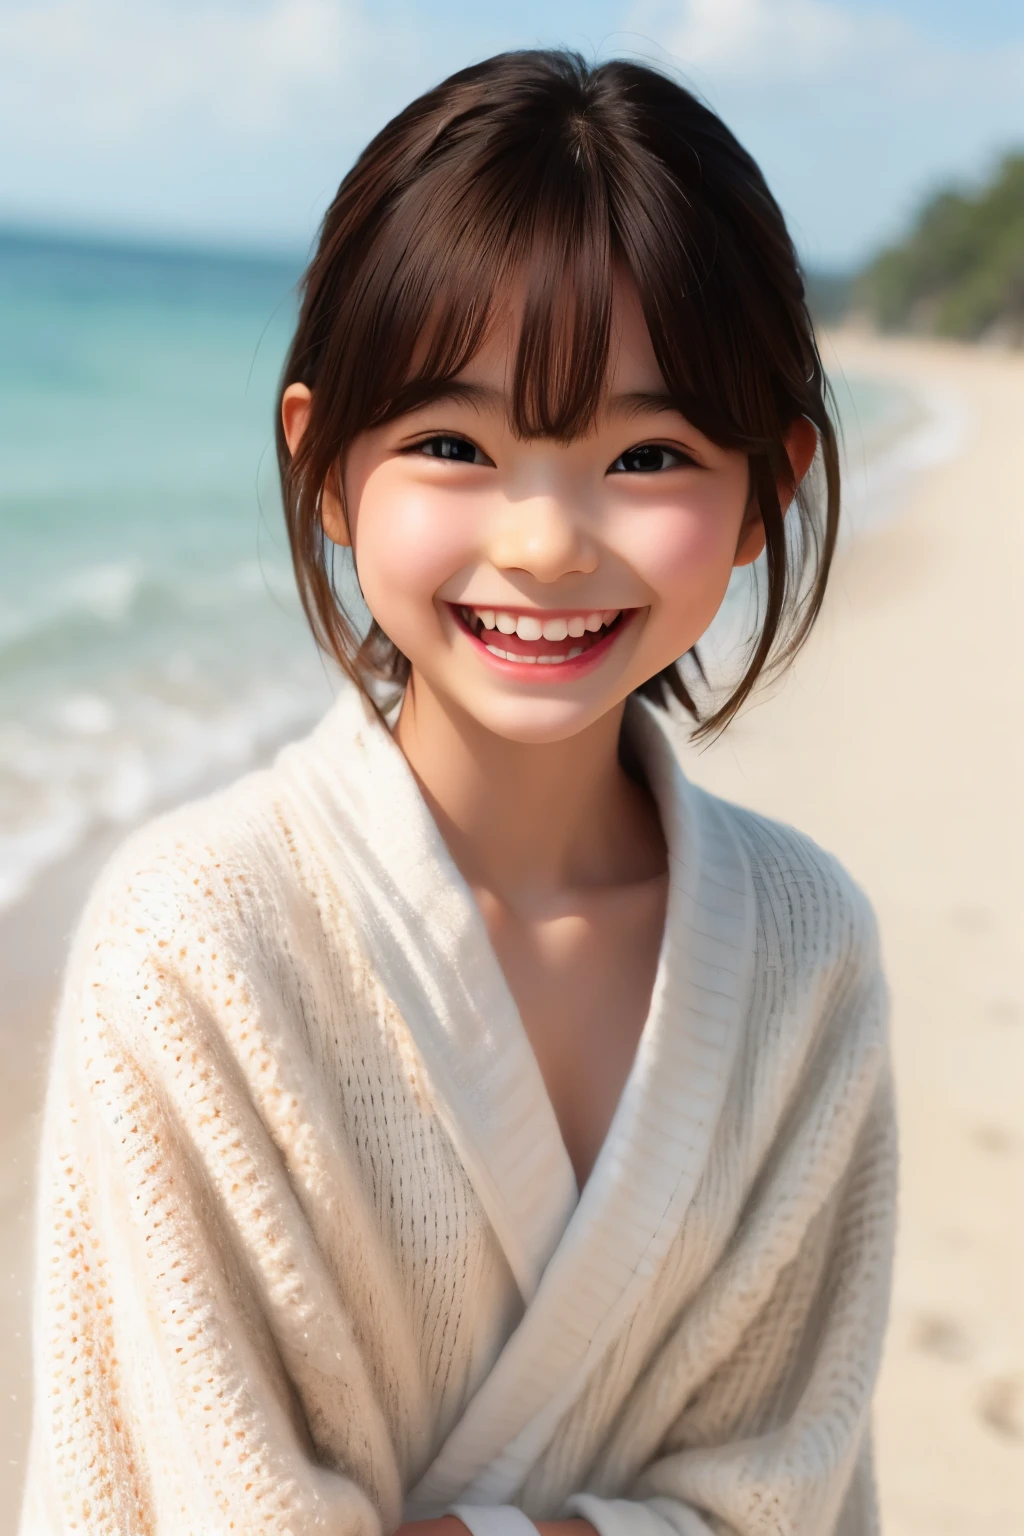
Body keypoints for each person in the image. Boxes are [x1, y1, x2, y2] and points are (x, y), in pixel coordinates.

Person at [20, 49, 897, 1536]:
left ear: (768, 489)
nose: (547, 542)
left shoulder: (807, 949)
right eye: (452, 445)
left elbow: (789, 1478)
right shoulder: (192, 942)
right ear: (325, 465)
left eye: (646, 453)